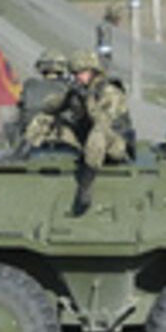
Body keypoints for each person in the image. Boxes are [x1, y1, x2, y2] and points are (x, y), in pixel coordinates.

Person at [66, 49, 134, 216]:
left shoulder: (110, 91)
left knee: (99, 132)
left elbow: (104, 122)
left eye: (80, 73)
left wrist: (86, 101)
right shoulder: (84, 90)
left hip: (116, 144)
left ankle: (85, 187)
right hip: (91, 143)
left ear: (92, 71)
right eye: (75, 74)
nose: (77, 77)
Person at [16, 50, 76, 153]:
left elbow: (21, 110)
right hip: (64, 140)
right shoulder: (70, 88)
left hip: (32, 142)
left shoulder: (29, 86)